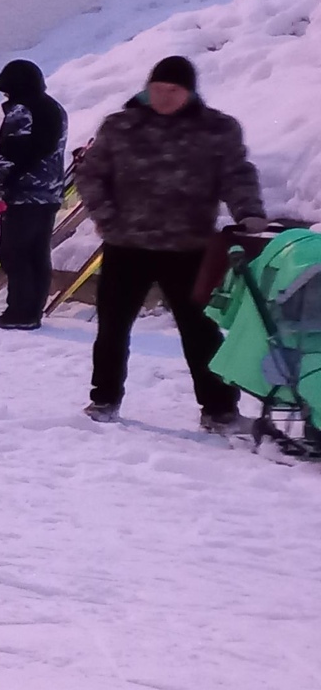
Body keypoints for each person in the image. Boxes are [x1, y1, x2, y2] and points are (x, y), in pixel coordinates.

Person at [76, 55, 268, 429]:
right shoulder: (121, 126)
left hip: (188, 246)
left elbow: (236, 174)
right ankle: (104, 400)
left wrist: (250, 212)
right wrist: (107, 217)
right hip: (126, 245)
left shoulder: (217, 129)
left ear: (190, 92)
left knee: (200, 331)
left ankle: (219, 408)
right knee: (113, 327)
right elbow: (91, 175)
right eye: (158, 89)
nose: (164, 97)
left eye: (173, 90)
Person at [0, 60, 68, 328]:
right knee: (37, 253)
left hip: (25, 194)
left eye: (7, 92)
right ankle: (32, 313)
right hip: (50, 193)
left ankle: (18, 312)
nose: (5, 97)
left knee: (13, 252)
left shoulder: (22, 110)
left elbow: (12, 153)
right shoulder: (55, 108)